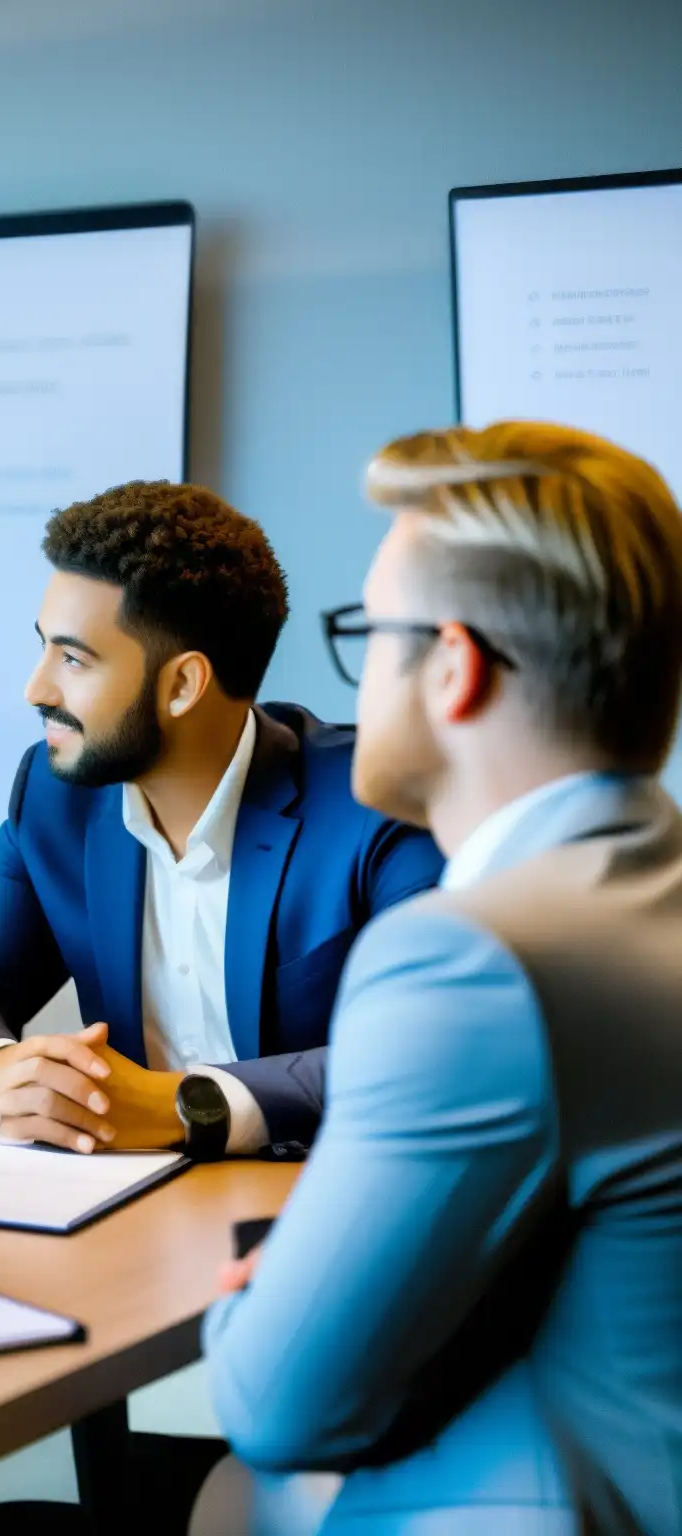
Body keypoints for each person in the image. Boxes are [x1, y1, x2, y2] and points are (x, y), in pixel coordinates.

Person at [204, 423, 682, 1534]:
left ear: (453, 666)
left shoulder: (470, 958)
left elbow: (273, 1406)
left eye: (368, 632)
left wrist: (273, 1293)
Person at [0, 482, 442, 1157]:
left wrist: (184, 1105)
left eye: (72, 658)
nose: (35, 689)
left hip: (315, 1195)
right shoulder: (52, 792)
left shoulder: (379, 804)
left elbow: (431, 1048)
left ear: (183, 684)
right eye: (44, 648)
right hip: (126, 1199)